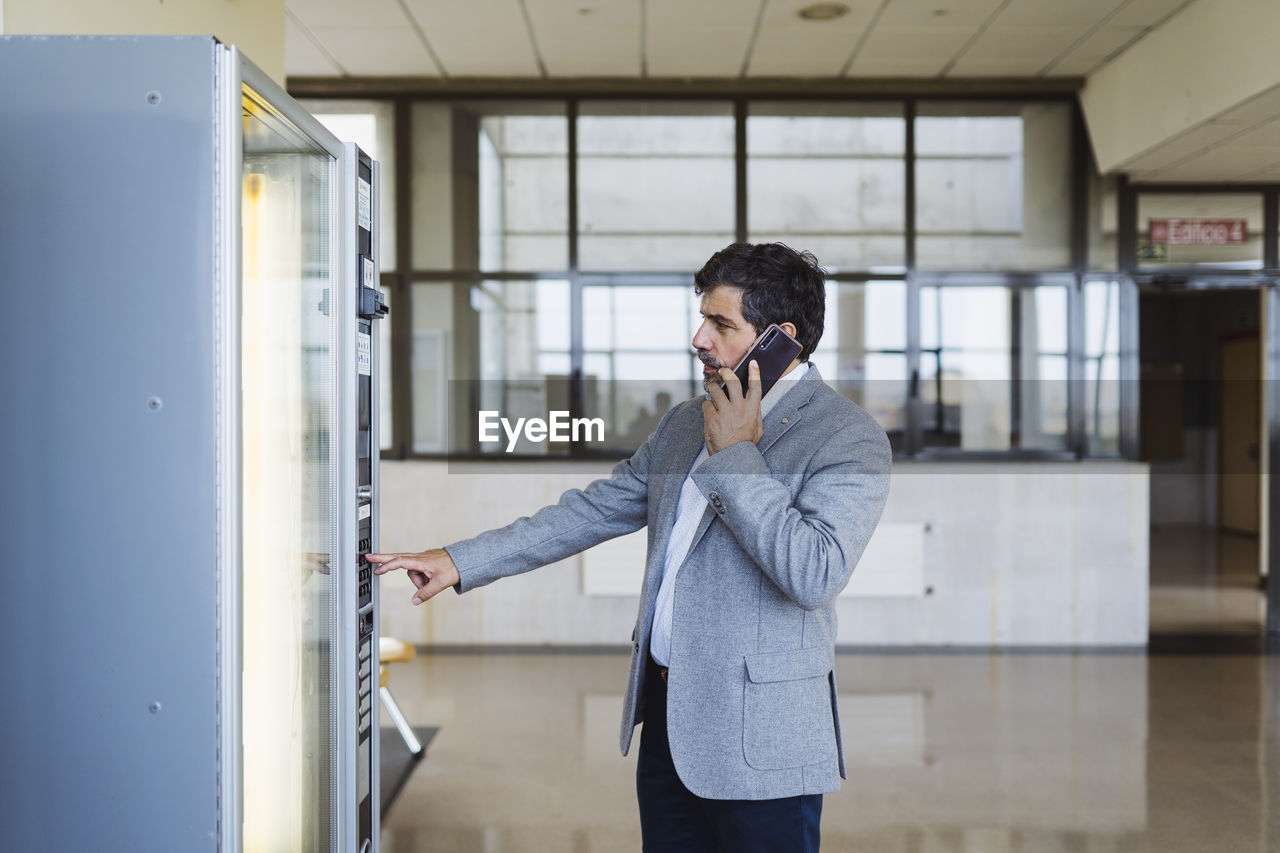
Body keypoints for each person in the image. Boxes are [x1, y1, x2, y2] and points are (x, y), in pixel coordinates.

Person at [368, 242, 892, 852]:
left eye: (721, 324)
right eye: (703, 319)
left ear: (781, 338)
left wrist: (739, 458)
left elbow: (814, 571)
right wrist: (461, 560)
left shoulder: (848, 438)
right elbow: (592, 510)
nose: (699, 338)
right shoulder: (683, 424)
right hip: (668, 726)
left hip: (763, 744)